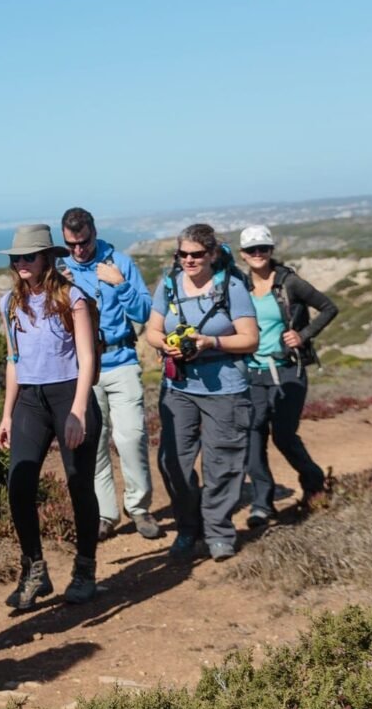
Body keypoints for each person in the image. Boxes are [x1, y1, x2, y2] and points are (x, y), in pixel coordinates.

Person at [0, 224, 103, 607]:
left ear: (47, 258)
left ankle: (85, 569)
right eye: (16, 258)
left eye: (29, 256)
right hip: (29, 399)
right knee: (19, 486)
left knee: (79, 484)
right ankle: (34, 570)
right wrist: (7, 414)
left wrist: (78, 410)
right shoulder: (9, 302)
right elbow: (13, 359)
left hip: (69, 394)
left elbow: (86, 357)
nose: (21, 263)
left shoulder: (72, 297)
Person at [144, 224, 259, 561]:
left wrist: (211, 342)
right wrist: (165, 344)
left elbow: (250, 338)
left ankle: (218, 532)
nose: (189, 260)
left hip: (225, 386)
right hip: (179, 386)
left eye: (196, 254)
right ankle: (188, 528)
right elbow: (152, 330)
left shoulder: (232, 286)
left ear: (211, 254)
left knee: (222, 461)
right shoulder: (168, 284)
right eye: (183, 254)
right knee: (173, 461)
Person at [58, 207, 160, 540]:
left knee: (131, 436)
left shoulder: (120, 263)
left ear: (94, 233)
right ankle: (105, 513)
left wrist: (120, 283)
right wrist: (62, 293)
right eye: (71, 244)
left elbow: (144, 312)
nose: (78, 250)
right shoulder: (61, 269)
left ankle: (139, 507)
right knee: (93, 442)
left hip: (121, 359)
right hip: (81, 369)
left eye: (84, 242)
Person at [238, 224, 338, 525]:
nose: (258, 253)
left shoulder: (289, 282)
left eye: (263, 248)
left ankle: (314, 483)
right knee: (253, 435)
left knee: (283, 435)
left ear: (271, 250)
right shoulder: (239, 287)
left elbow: (328, 308)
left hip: (287, 370)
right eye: (252, 249)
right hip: (252, 372)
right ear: (243, 254)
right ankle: (262, 504)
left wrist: (303, 335)